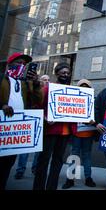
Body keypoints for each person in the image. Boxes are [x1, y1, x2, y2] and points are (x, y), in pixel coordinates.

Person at [0, 52, 42, 190]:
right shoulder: (2, 79)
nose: (22, 66)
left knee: (8, 163)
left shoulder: (24, 83)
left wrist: (36, 85)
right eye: (19, 63)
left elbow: (37, 101)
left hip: (15, 131)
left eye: (24, 64)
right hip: (2, 128)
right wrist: (2, 106)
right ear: (10, 64)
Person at [33, 62, 78, 190]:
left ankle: (51, 187)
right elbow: (37, 106)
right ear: (57, 74)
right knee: (43, 161)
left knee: (57, 162)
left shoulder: (72, 90)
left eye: (68, 73)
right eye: (63, 73)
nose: (66, 75)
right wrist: (45, 118)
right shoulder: (48, 88)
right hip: (50, 131)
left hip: (65, 133)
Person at [61, 79, 97, 189]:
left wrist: (94, 120)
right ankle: (70, 179)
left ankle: (88, 178)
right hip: (76, 133)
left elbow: (98, 115)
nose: (84, 88)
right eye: (82, 86)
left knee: (87, 156)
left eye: (86, 87)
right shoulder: (73, 100)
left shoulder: (93, 101)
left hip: (88, 134)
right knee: (74, 156)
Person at [14, 74, 49, 179]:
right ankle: (20, 170)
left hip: (43, 123)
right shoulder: (32, 89)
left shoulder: (49, 91)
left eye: (48, 80)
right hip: (29, 121)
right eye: (44, 80)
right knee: (25, 148)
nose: (46, 81)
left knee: (39, 149)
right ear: (39, 80)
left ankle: (35, 168)